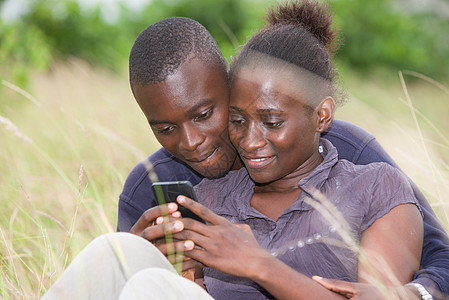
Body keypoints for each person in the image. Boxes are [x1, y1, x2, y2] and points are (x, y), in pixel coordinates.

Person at [118, 8, 449, 300]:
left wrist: (410, 295)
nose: (189, 142)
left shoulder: (360, 163)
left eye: (204, 114)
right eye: (164, 128)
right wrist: (136, 260)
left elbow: (438, 258)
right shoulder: (172, 191)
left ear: (228, 85)